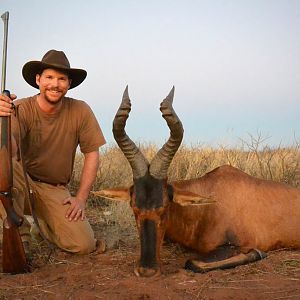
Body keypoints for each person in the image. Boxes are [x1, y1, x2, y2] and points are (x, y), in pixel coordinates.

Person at [0, 49, 106, 255]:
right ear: (38, 79)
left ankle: (41, 226)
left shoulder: (81, 110)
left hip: (53, 188)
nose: (55, 84)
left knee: (83, 245)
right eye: (49, 77)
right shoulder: (19, 108)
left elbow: (92, 154)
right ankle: (19, 239)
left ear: (69, 84)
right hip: (21, 181)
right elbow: (9, 151)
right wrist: (2, 119)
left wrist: (81, 199)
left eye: (61, 79)